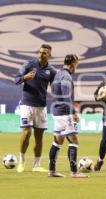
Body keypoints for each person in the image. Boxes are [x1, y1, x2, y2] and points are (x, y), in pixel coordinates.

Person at [15, 44, 56, 173]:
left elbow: (55, 88)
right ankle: (21, 160)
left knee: (39, 137)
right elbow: (16, 80)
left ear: (49, 55)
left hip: (41, 107)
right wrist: (25, 77)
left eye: (44, 53)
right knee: (27, 132)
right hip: (27, 105)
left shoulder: (52, 70)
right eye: (40, 52)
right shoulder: (28, 65)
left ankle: (36, 165)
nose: (41, 54)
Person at [48, 54, 87, 178]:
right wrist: (73, 112)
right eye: (76, 65)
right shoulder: (66, 76)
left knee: (57, 141)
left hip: (56, 112)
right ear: (73, 64)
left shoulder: (57, 75)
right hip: (65, 112)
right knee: (74, 140)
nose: (76, 67)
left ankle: (52, 170)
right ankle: (74, 171)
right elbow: (66, 96)